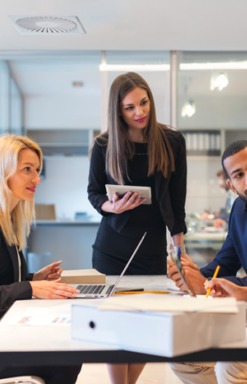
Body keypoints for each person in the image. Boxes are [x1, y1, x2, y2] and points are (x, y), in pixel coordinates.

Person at [88, 72, 188, 384]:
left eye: (143, 103)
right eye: (130, 107)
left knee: (147, 328)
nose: (139, 112)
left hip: (152, 247)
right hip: (113, 248)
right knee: (118, 327)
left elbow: (177, 198)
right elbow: (93, 194)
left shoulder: (172, 141)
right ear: (118, 110)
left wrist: (179, 246)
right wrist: (111, 206)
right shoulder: (104, 145)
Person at [168, 139, 247, 384]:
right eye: (239, 175)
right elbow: (226, 260)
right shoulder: (240, 210)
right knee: (182, 354)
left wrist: (211, 284)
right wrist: (193, 275)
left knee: (232, 366)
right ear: (232, 185)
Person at [0, 134, 81, 384]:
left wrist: (35, 278)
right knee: (65, 359)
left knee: (66, 348)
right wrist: (31, 287)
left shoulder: (9, 222)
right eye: (27, 170)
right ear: (4, 171)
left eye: (37, 170)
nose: (37, 178)